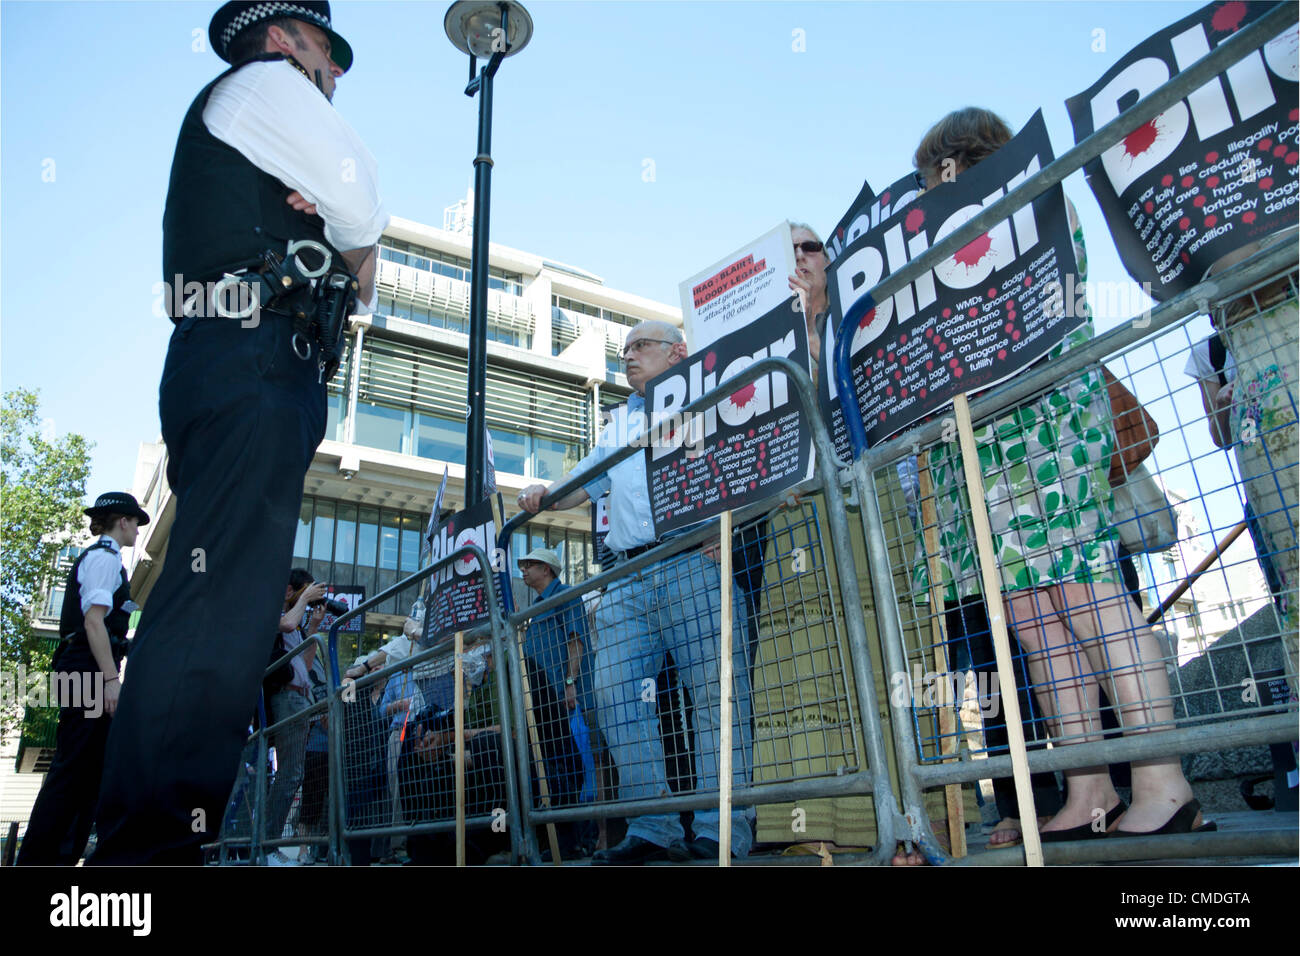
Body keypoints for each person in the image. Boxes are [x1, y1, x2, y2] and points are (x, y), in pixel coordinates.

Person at [92, 1, 387, 865]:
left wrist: (344, 228)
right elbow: (365, 208)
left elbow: (366, 278)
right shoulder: (264, 83)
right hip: (254, 358)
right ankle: (145, 862)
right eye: (326, 57)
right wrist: (343, 225)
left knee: (223, 608)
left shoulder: (262, 108)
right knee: (218, 614)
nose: (332, 78)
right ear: (282, 38)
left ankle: (151, 849)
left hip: (252, 364)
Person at [914, 107, 1210, 839]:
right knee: (1034, 621)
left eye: (935, 175)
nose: (930, 191)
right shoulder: (950, 241)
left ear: (962, 160)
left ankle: (1163, 781)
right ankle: (1089, 789)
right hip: (978, 446)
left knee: (1089, 595)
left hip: (1040, 424)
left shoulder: (1031, 202)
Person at [519, 320, 753, 864]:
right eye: (622, 351)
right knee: (614, 695)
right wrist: (545, 494)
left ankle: (725, 831)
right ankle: (654, 827)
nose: (627, 357)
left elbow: (749, 460)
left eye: (639, 347)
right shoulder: (617, 422)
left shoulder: (711, 397)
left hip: (694, 558)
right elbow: (584, 483)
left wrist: (730, 520)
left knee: (715, 698)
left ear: (676, 352)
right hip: (626, 573)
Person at [17, 493, 148, 866]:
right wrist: (110, 679)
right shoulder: (103, 559)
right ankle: (37, 861)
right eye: (136, 522)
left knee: (88, 772)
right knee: (74, 770)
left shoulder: (108, 562)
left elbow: (109, 624)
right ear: (123, 521)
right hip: (88, 668)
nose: (138, 530)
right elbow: (93, 622)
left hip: (87, 667)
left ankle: (58, 858)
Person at [517, 547, 598, 856]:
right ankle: (556, 840)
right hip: (543, 701)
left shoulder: (566, 595)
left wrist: (570, 683)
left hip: (564, 700)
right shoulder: (535, 606)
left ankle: (575, 839)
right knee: (549, 765)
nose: (524, 571)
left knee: (569, 764)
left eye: (531, 565)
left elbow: (575, 641)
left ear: (548, 570)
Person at [263, 568, 328, 865]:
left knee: (292, 775)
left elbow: (307, 662)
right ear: (289, 591)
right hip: (286, 697)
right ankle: (265, 846)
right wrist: (304, 601)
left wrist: (314, 625)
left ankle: (265, 844)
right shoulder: (274, 612)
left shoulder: (298, 624)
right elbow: (287, 624)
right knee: (289, 775)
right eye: (305, 593)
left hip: (300, 697)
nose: (310, 600)